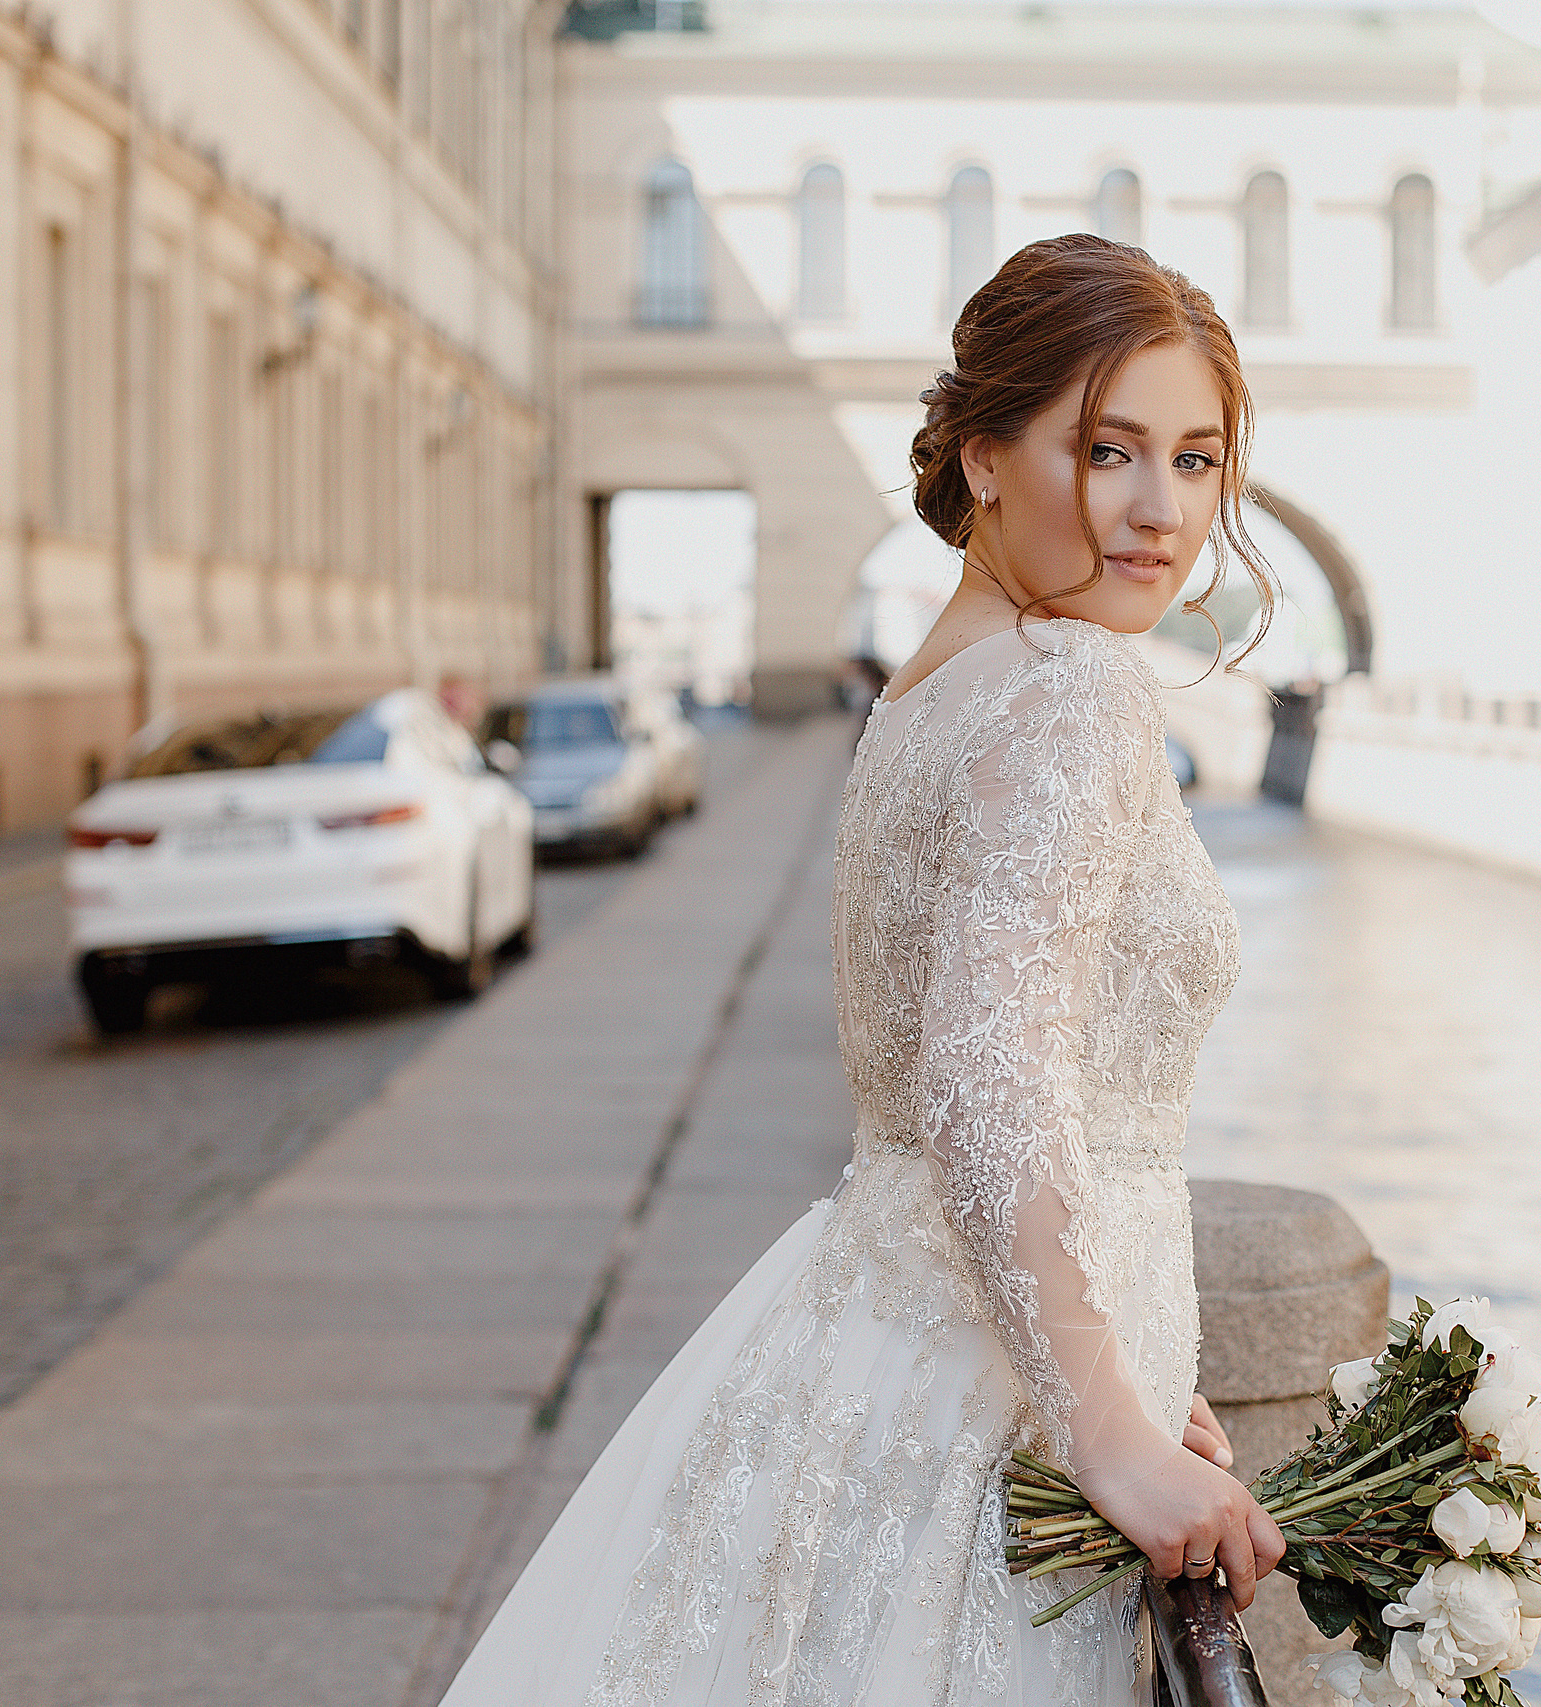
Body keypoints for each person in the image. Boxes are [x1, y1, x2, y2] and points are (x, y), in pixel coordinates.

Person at [437, 233, 1285, 1707]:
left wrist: (1135, 1375)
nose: (1162, 510)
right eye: (1109, 451)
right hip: (992, 1415)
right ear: (984, 458)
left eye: (1197, 460)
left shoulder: (926, 693)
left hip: (888, 1349)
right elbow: (984, 1083)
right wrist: (1109, 1431)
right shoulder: (1074, 689)